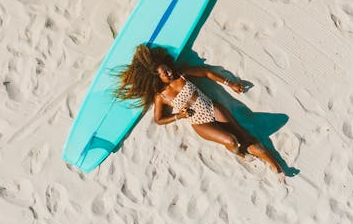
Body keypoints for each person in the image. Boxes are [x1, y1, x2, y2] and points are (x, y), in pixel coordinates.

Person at [114, 44, 284, 175]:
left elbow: (206, 73)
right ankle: (239, 154)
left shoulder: (181, 73)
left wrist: (230, 83)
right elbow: (158, 120)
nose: (169, 74)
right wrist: (178, 116)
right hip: (199, 122)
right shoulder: (161, 96)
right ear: (156, 77)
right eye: (164, 74)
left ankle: (273, 163)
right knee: (232, 141)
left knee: (242, 133)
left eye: (167, 70)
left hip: (212, 107)